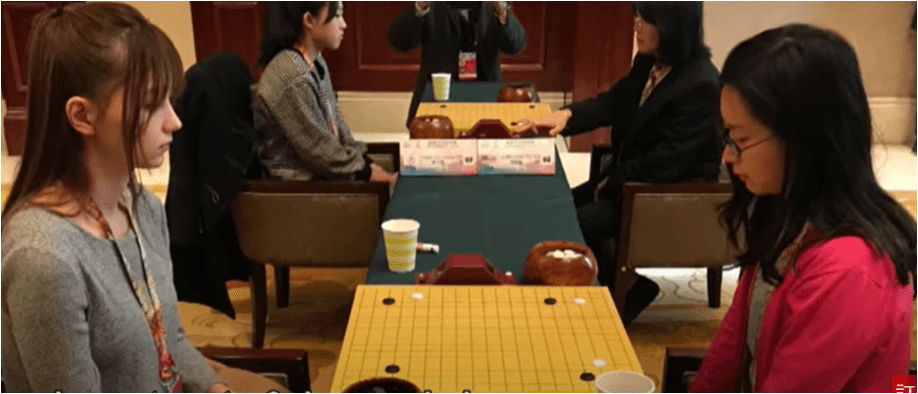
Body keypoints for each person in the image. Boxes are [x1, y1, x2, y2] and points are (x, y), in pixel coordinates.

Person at [0, 3, 284, 392]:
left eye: (170, 99)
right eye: (152, 105)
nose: (175, 121)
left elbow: (168, 343)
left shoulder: (143, 207)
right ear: (83, 116)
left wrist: (218, 390)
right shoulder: (45, 258)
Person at [690, 24, 915, 392]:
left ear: (802, 140)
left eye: (740, 140)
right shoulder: (787, 210)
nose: (727, 156)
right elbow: (731, 345)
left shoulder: (849, 272)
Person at [513, 2, 722, 325]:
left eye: (646, 19)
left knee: (572, 225)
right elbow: (615, 102)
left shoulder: (701, 85)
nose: (636, 25)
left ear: (672, 27)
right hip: (629, 183)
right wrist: (567, 115)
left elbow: (667, 164)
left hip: (659, 198)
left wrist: (607, 183)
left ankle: (624, 293)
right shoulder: (649, 62)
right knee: (553, 207)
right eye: (636, 16)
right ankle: (615, 280)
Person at [254, 1, 396, 186]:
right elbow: (320, 151)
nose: (344, 24)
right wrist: (374, 175)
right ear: (309, 20)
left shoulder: (317, 63)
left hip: (324, 179)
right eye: (337, 16)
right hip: (299, 192)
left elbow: (338, 130)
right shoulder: (291, 72)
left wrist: (370, 167)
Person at [388, 1, 527, 127]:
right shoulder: (433, 5)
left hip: (485, 98)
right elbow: (399, 42)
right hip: (437, 102)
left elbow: (516, 46)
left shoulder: (491, 6)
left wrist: (501, 10)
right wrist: (419, 6)